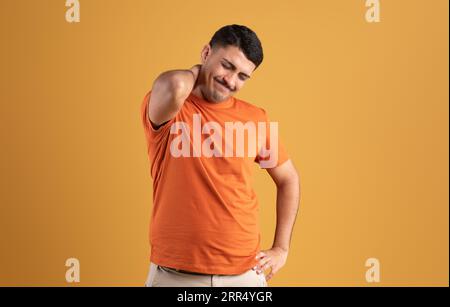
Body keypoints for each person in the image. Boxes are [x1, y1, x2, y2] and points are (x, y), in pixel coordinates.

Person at [141, 24, 300, 287]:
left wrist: (281, 249)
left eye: (242, 76)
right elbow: (173, 83)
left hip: (245, 275)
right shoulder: (170, 107)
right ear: (206, 53)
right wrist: (198, 72)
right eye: (226, 65)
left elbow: (289, 179)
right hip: (175, 276)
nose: (231, 81)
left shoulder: (256, 118)